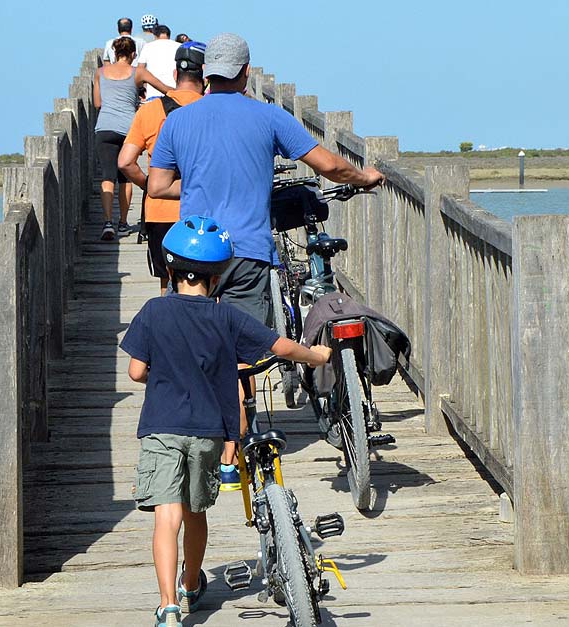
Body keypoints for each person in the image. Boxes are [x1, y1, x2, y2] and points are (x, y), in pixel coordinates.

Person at [148, 32, 384, 490]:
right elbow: (329, 166)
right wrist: (367, 177)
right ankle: (235, 455)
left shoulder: (178, 122)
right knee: (240, 353)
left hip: (195, 251)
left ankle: (212, 445)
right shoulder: (268, 116)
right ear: (246, 72)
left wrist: (199, 186)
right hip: (248, 251)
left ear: (205, 73)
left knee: (203, 345)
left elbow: (156, 186)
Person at [121, 215, 331, 627]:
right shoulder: (226, 318)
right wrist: (318, 356)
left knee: (169, 513)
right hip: (207, 432)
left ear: (170, 269)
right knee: (195, 511)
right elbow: (280, 345)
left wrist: (160, 372)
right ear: (216, 280)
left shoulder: (153, 311)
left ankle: (167, 606)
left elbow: (135, 371)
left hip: (162, 426)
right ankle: (190, 582)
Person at [119, 41, 207, 293]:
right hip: (203, 208)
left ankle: (171, 329)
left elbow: (125, 162)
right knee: (209, 283)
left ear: (175, 75)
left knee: (167, 283)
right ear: (205, 77)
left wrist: (149, 184)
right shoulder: (212, 110)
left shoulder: (150, 111)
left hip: (160, 213)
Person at [93, 37, 171, 240]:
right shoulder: (138, 72)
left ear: (114, 52)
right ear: (134, 54)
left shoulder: (100, 73)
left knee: (107, 176)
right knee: (125, 178)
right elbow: (166, 90)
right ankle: (123, 223)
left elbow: (97, 102)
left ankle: (108, 222)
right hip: (128, 128)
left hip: (104, 127)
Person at [135, 25, 181, 101]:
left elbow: (140, 69)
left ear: (155, 36)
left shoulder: (147, 47)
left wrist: (141, 89)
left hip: (153, 94)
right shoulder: (179, 46)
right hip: (174, 94)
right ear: (169, 35)